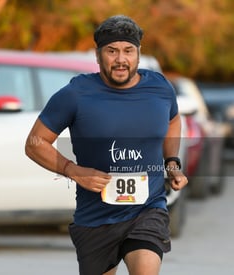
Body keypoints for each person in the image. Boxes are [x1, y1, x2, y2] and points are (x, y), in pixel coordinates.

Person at [25, 15, 188, 275]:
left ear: (138, 53)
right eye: (112, 51)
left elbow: (174, 120)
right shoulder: (75, 94)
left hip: (147, 209)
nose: (121, 59)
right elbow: (34, 143)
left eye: (128, 51)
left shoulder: (160, 88)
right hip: (95, 218)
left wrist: (171, 162)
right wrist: (73, 171)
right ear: (98, 55)